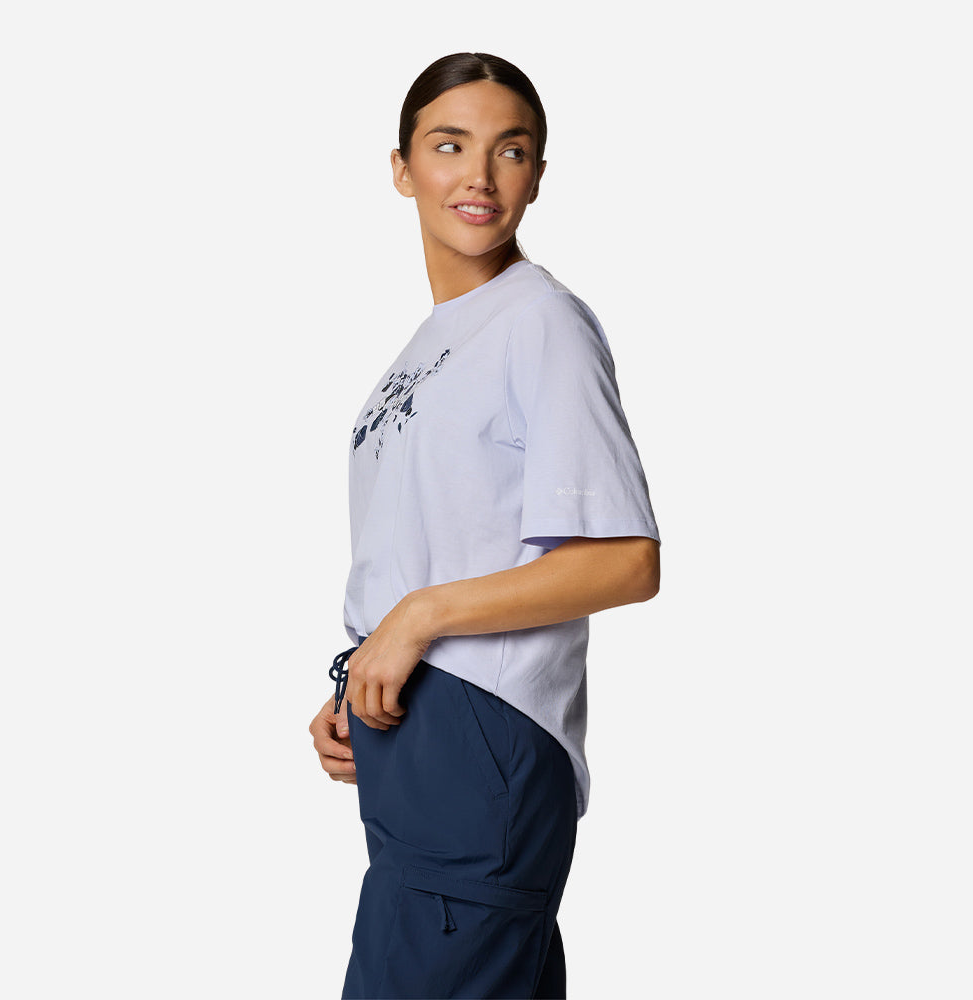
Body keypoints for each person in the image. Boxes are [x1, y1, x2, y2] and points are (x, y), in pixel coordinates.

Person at [309, 52, 661, 1000]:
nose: (479, 175)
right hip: (418, 729)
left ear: (537, 175)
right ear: (401, 167)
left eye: (510, 150)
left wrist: (416, 620)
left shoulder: (541, 320)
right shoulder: (429, 345)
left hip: (483, 730)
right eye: (448, 145)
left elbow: (627, 561)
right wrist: (361, 676)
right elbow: (429, 541)